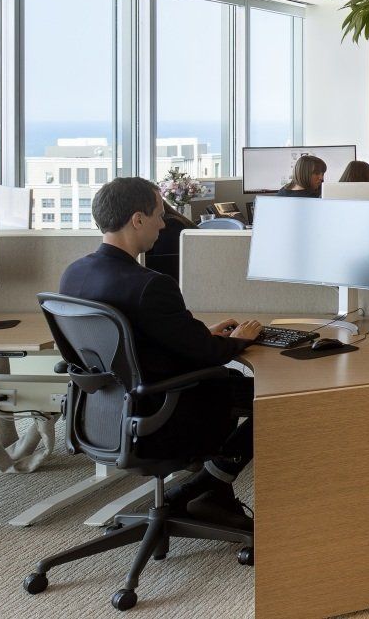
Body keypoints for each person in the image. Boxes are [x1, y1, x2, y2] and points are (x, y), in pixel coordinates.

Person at [58, 177, 262, 530]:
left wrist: (200, 333)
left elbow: (136, 339)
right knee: (268, 400)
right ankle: (210, 485)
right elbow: (206, 355)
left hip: (106, 410)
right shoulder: (150, 284)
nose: (163, 224)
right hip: (159, 415)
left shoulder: (74, 274)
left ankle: (210, 491)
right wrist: (239, 339)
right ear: (137, 220)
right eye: (157, 215)